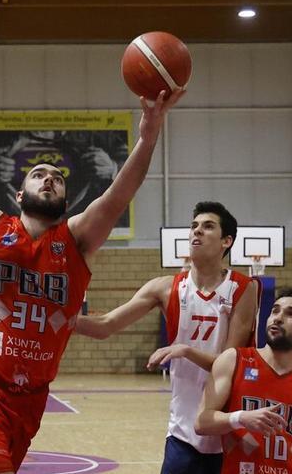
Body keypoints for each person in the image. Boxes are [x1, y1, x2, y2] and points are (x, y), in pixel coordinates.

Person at [0, 61, 184, 474]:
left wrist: (148, 138)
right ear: (19, 194)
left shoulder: (76, 240)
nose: (49, 179)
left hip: (32, 396)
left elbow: (116, 198)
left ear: (66, 200)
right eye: (38, 175)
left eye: (57, 178)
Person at [76, 201, 261, 474]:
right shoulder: (164, 288)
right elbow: (106, 325)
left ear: (226, 241)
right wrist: (56, 319)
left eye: (207, 227)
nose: (196, 232)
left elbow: (228, 365)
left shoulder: (243, 289)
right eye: (194, 226)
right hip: (182, 431)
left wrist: (185, 350)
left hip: (228, 430)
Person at [195, 287, 292, 474]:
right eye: (275, 310)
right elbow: (202, 422)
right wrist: (241, 418)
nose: (277, 317)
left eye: (291, 314)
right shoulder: (234, 360)